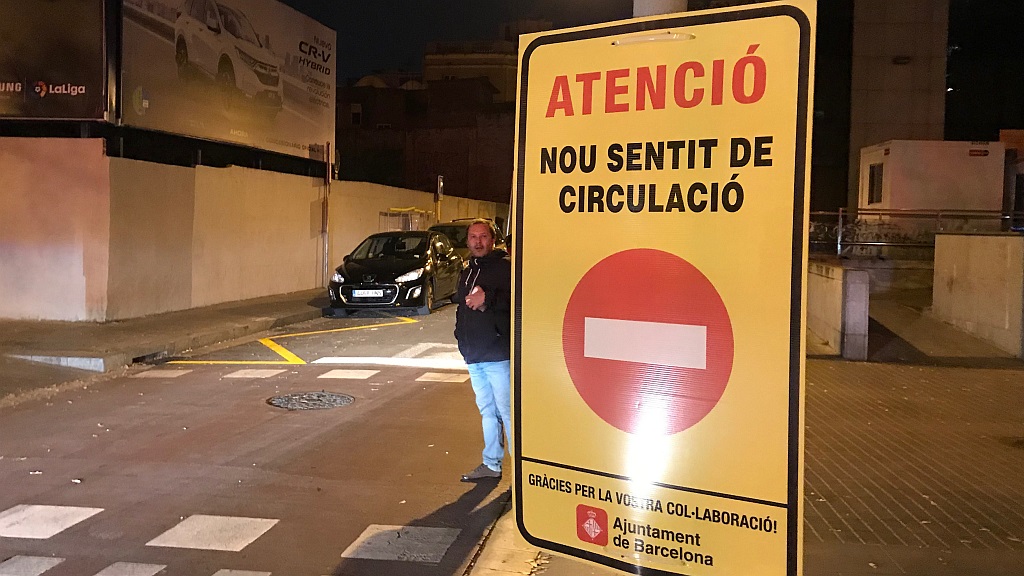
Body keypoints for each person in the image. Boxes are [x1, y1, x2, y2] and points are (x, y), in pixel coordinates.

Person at [454, 219, 512, 482]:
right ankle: (491, 464)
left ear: (492, 240)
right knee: (488, 411)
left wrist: (487, 299)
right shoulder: (467, 271)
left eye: (483, 236)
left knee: (508, 413)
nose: (478, 242)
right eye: (473, 237)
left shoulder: (504, 269)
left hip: (497, 355)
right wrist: (460, 337)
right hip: (474, 355)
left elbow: (516, 301)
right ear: (467, 241)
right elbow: (462, 307)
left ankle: (522, 474)